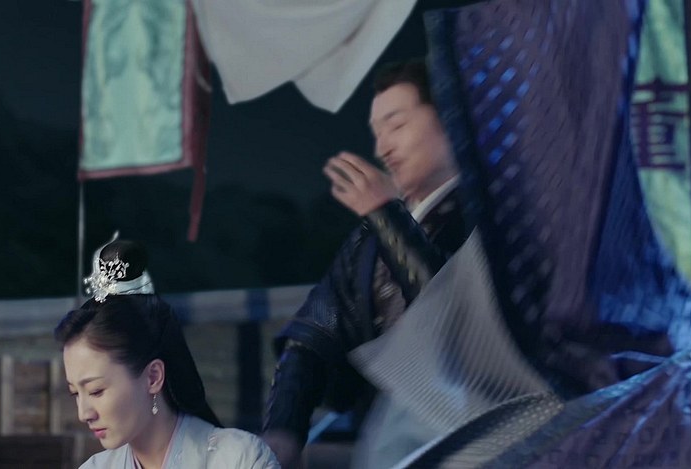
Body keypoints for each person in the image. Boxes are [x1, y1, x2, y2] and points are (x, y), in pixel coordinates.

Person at [261, 59, 471, 468]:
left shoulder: (491, 214)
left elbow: (455, 316)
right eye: (377, 133)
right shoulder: (370, 237)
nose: (382, 148)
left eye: (397, 125)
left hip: (471, 432)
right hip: (380, 438)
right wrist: (283, 431)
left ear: (448, 115)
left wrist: (385, 214)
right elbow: (311, 335)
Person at [56, 237, 280, 469]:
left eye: (96, 391)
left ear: (153, 377)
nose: (84, 414)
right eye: (75, 393)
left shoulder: (241, 459)